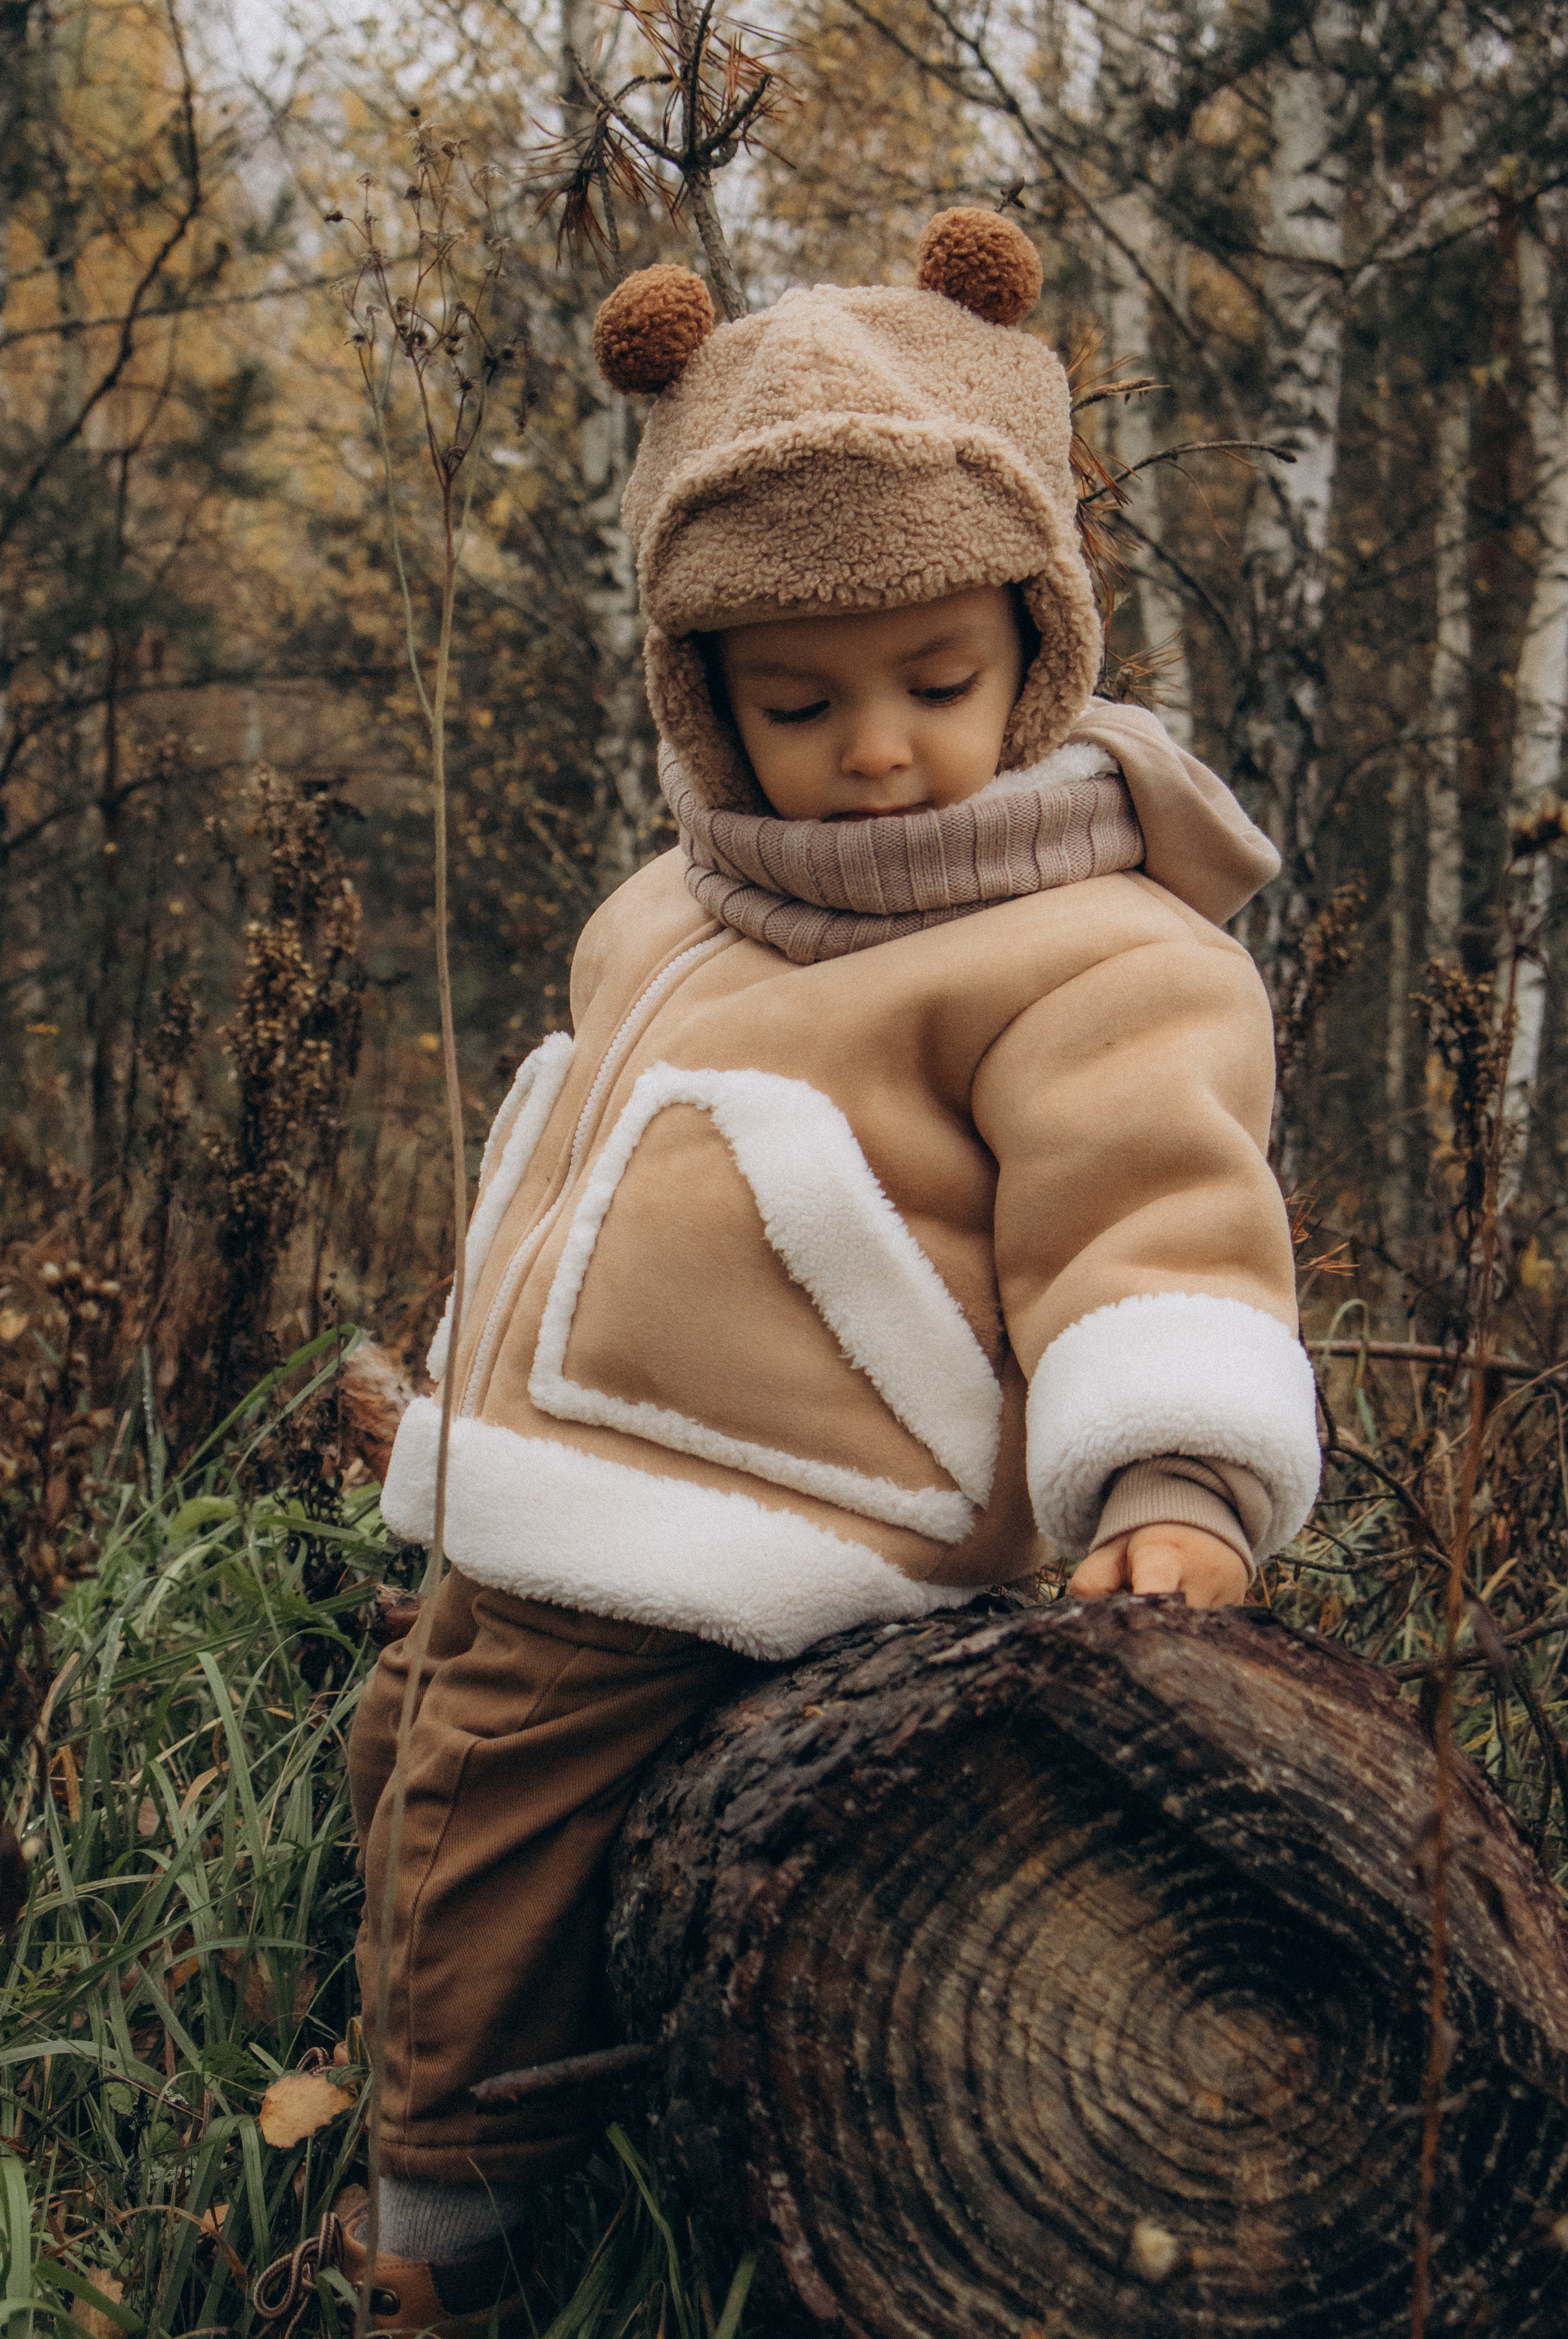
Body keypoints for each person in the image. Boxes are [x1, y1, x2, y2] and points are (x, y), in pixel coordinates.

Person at [268, 209, 1319, 2335]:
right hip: (571, 1481)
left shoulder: (1095, 950)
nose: (878, 748)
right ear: (702, 700)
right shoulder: (682, 903)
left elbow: (1153, 1220)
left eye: (939, 684)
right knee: (402, 1748)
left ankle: (444, 2232)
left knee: (475, 1818)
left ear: (1039, 648)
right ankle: (529, 2084)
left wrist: (1175, 1478)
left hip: (798, 1506)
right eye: (797, 701)